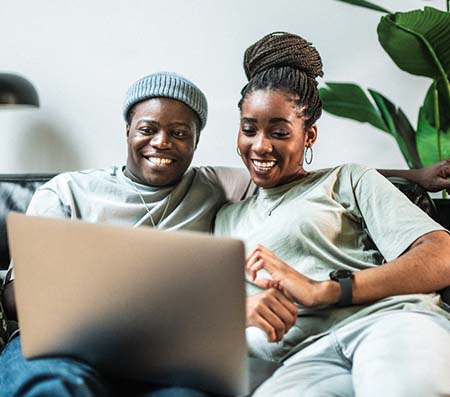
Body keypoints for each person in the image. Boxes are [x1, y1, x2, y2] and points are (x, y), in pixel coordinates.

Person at [0, 69, 449, 397]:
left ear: (196, 143)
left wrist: (412, 175)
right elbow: (18, 297)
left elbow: (305, 173)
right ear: (127, 131)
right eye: (148, 129)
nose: (162, 142)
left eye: (179, 133)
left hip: (172, 355)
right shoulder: (70, 191)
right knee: (51, 384)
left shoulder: (213, 187)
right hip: (72, 343)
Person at [213, 32, 450, 397]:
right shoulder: (227, 217)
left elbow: (441, 254)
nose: (260, 145)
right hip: (304, 357)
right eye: (249, 129)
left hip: (388, 321)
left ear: (309, 136)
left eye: (278, 132)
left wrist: (324, 291)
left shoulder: (347, 180)